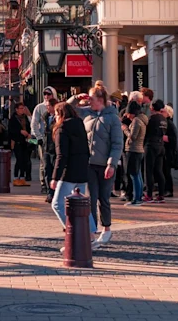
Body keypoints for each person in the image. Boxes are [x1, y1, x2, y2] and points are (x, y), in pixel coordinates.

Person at [79, 86, 124, 248]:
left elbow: (117, 143)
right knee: (90, 198)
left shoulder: (112, 118)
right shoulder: (87, 113)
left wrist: (111, 164)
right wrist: (77, 97)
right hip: (89, 164)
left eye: (91, 99)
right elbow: (68, 109)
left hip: (105, 165)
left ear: (100, 100)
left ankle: (107, 228)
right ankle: (91, 231)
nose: (88, 101)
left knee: (103, 198)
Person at [50, 101, 97, 249]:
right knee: (82, 206)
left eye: (56, 114)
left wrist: (55, 177)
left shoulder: (62, 128)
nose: (55, 118)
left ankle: (76, 235)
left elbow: (61, 155)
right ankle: (90, 236)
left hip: (68, 172)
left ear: (61, 115)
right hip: (82, 171)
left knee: (57, 204)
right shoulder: (79, 125)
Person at [32, 87, 58, 202]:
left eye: (49, 93)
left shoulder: (59, 108)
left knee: (55, 165)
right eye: (45, 94)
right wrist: (39, 137)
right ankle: (45, 186)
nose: (46, 96)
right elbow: (34, 123)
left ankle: (55, 190)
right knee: (45, 164)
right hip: (45, 141)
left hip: (56, 143)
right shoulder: (40, 108)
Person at [123, 100, 147, 206]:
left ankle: (137, 198)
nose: (127, 116)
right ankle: (138, 197)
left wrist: (125, 129)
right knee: (138, 175)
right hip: (139, 150)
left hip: (134, 150)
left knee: (134, 175)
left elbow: (133, 137)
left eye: (128, 113)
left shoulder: (136, 121)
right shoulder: (142, 119)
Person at [144, 100, 168, 203]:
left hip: (151, 145)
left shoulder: (151, 119)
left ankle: (149, 194)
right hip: (161, 146)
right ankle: (161, 194)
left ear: (153, 108)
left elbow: (147, 132)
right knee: (159, 170)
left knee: (148, 170)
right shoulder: (164, 119)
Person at [9, 102, 33, 186]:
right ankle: (16, 178)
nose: (22, 110)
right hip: (17, 142)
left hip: (26, 141)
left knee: (25, 160)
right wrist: (20, 131)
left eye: (23, 108)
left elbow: (29, 127)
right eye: (20, 108)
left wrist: (29, 134)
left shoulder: (25, 117)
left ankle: (22, 177)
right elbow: (10, 131)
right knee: (19, 160)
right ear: (16, 109)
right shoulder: (13, 118)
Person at [163, 105, 178, 198]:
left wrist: (164, 138)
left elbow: (173, 139)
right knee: (163, 171)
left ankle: (169, 190)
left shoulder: (170, 124)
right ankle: (164, 189)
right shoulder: (164, 123)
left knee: (166, 171)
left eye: (163, 112)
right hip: (164, 150)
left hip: (168, 151)